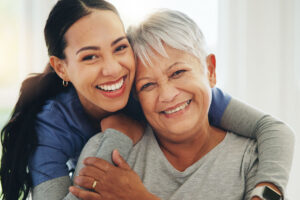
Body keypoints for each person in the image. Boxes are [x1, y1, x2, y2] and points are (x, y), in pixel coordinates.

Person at [0, 0, 293, 199]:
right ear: (61, 67)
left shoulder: (178, 99)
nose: (113, 69)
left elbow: (274, 129)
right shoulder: (52, 129)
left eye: (119, 48)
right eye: (90, 56)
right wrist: (117, 136)